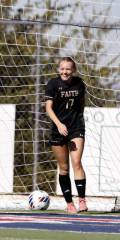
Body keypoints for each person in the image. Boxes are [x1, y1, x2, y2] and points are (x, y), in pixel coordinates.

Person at [45, 57, 88, 214]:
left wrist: (77, 120)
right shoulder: (52, 84)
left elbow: (81, 104)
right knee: (64, 168)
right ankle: (70, 203)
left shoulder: (79, 83)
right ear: (58, 70)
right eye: (62, 68)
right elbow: (48, 108)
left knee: (77, 162)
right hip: (58, 129)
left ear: (73, 70)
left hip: (76, 127)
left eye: (68, 69)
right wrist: (59, 124)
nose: (65, 72)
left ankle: (82, 200)